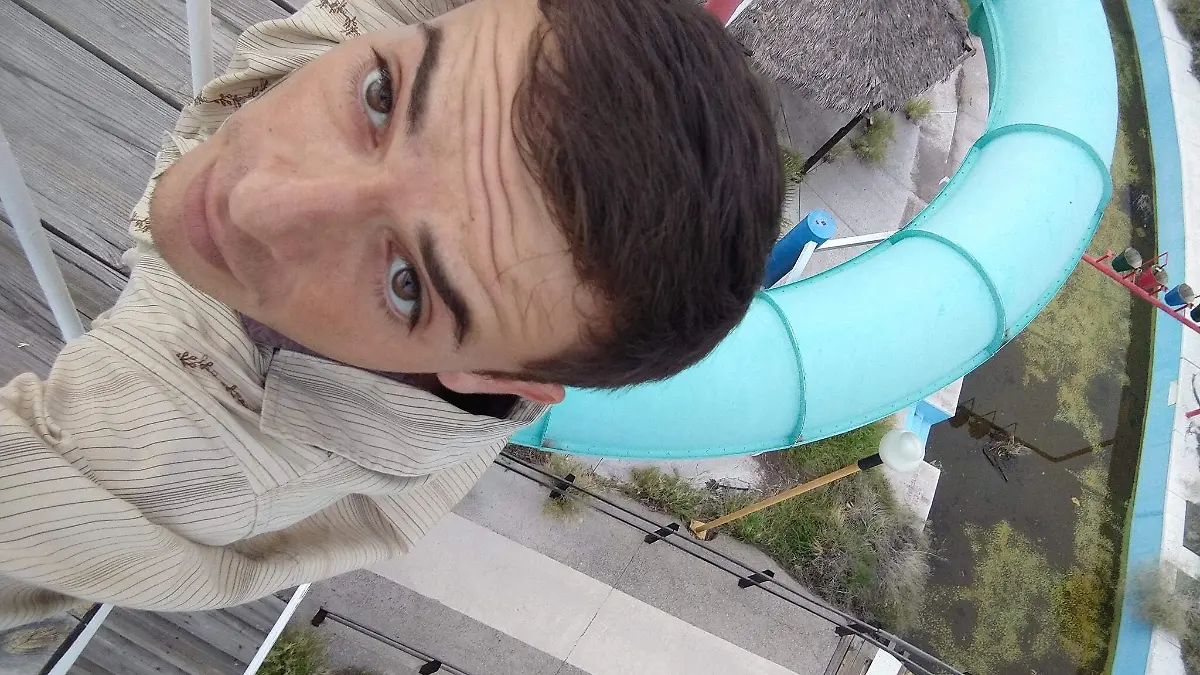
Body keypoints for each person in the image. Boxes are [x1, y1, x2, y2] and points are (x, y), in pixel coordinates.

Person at [0, 0, 781, 627]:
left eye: (407, 281)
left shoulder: (171, 451)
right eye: (380, 96)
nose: (255, 200)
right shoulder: (495, 73)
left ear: (487, 377)